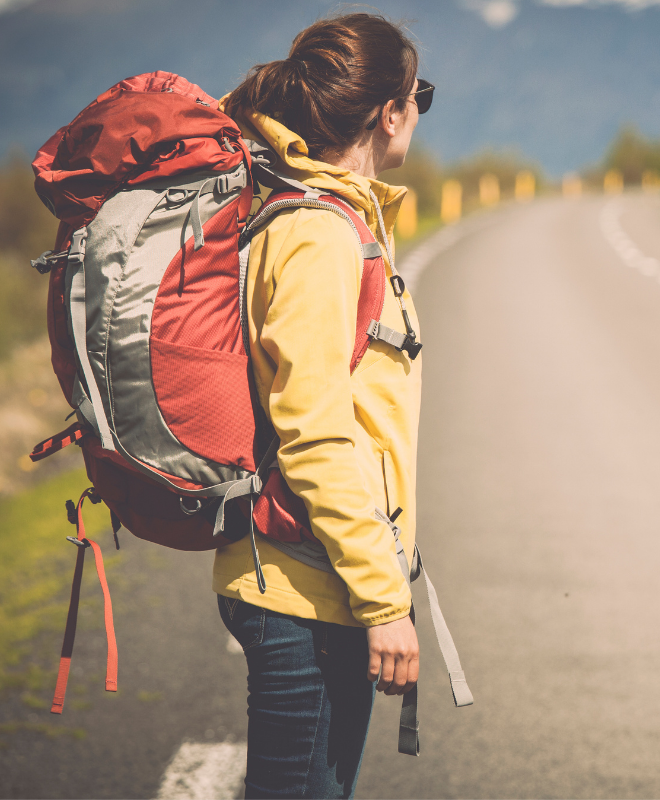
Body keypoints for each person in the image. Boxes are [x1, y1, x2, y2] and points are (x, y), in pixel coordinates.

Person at [214, 12, 433, 799]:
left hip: (311, 579)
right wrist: (384, 603)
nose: (419, 112)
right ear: (389, 111)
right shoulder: (319, 235)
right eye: (421, 96)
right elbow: (315, 434)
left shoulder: (333, 220)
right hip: (305, 593)